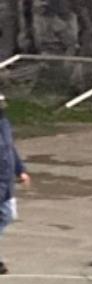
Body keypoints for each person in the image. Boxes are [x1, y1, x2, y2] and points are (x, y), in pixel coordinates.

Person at [0, 93, 30, 274]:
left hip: (6, 181)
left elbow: (10, 147)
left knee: (8, 215)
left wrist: (20, 169)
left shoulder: (4, 124)